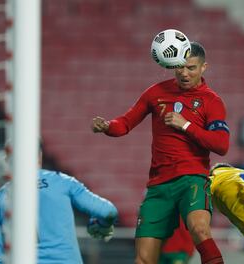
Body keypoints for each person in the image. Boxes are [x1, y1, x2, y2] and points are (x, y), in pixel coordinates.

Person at [91, 41, 229, 264]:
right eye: (180, 67)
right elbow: (125, 123)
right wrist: (107, 126)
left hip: (192, 180)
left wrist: (185, 125)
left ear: (204, 68)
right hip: (158, 186)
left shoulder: (212, 101)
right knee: (144, 259)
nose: (184, 73)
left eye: (191, 68)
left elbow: (222, 145)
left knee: (200, 229)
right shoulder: (156, 93)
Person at [0, 145, 118, 264]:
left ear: (8, 160)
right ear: (40, 156)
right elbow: (108, 211)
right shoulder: (62, 181)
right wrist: (101, 226)